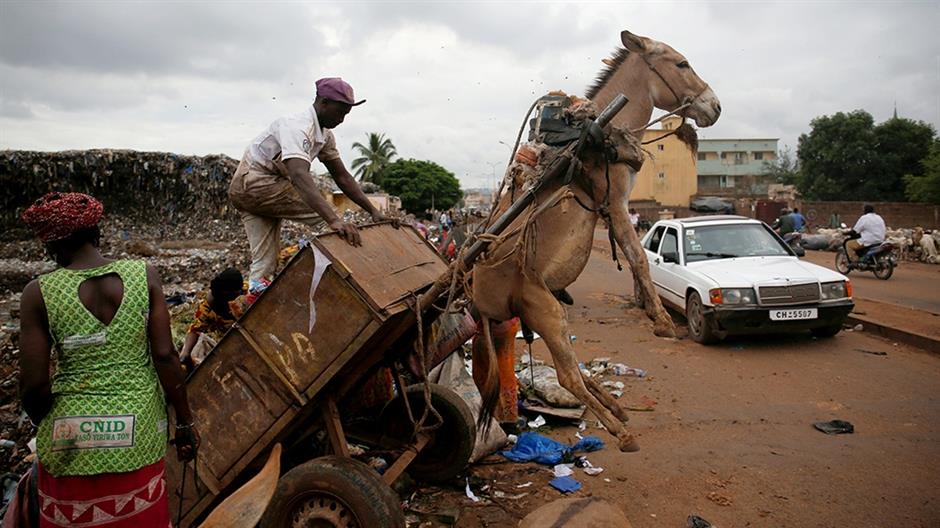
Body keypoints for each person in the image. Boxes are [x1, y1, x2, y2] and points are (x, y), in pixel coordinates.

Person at [17, 192, 197, 527]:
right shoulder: (144, 275)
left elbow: (35, 386)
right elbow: (165, 355)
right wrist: (185, 423)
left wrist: (58, 421)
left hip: (68, 435)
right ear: (96, 234)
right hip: (140, 428)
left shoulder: (38, 293)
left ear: (52, 246)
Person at [229, 77, 390, 289]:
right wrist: (333, 219)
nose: (342, 119)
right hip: (256, 183)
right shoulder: (297, 127)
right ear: (323, 102)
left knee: (264, 263)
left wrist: (372, 210)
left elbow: (342, 176)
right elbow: (298, 175)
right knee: (333, 224)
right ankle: (358, 284)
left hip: (253, 192)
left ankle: (255, 302)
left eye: (346, 114)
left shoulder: (324, 135)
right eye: (340, 111)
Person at [179, 268, 247, 369]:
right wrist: (185, 352)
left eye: (237, 293)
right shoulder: (209, 306)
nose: (235, 296)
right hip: (229, 343)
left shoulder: (247, 292)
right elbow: (195, 329)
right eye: (232, 294)